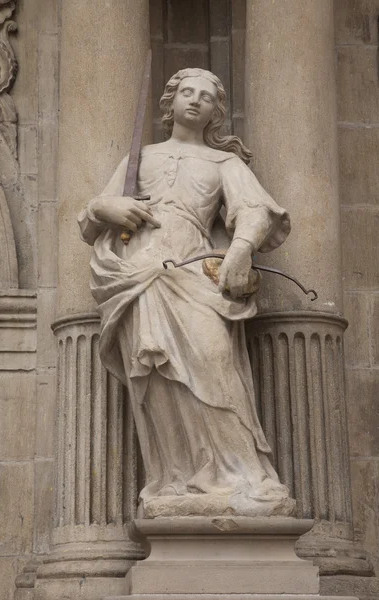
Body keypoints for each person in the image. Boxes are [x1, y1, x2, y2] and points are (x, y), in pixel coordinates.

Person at [78, 68, 295, 517]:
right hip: (140, 276)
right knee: (157, 380)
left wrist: (240, 250)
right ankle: (177, 479)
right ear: (170, 101)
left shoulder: (225, 164)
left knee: (217, 368)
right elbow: (89, 220)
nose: (195, 101)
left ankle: (247, 476)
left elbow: (256, 211)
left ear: (217, 111)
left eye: (206, 97)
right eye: (186, 93)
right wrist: (106, 206)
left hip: (194, 275)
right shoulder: (142, 158)